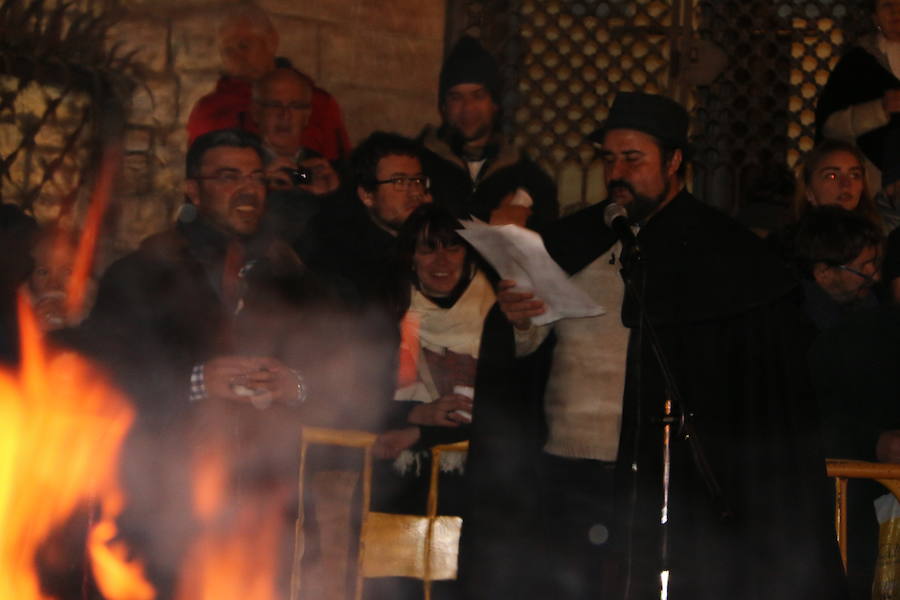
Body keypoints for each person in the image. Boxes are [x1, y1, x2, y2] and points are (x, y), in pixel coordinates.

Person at [462, 92, 849, 600]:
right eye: (609, 159)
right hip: (565, 476)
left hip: (666, 489)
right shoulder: (572, 241)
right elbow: (522, 358)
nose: (617, 172)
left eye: (633, 158)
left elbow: (746, 379)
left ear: (673, 163)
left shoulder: (721, 254)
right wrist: (520, 325)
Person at [419, 36, 557, 230]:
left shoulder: (526, 174)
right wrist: (491, 217)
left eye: (478, 96)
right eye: (456, 97)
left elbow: (548, 233)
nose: (467, 108)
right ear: (443, 106)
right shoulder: (416, 163)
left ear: (495, 104)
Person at [186, 2, 351, 161]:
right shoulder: (210, 110)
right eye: (227, 50)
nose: (236, 57)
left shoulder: (318, 104)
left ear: (271, 42)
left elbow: (333, 174)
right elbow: (199, 174)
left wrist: (297, 174)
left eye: (244, 46)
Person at [303, 131, 432, 315]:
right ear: (367, 195)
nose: (414, 193)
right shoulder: (344, 257)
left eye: (418, 181)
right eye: (400, 181)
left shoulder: (436, 238)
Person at [815, 0, 900, 228]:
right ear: (874, 17)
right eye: (887, 5)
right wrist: (880, 110)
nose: (896, 12)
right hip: (872, 191)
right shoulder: (857, 64)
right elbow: (830, 126)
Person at [787, 205, 884, 331]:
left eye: (874, 262)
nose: (875, 277)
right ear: (824, 273)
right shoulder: (799, 327)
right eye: (863, 266)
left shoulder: (867, 299)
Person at [793, 139, 882, 226]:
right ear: (809, 191)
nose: (846, 184)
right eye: (832, 176)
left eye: (854, 175)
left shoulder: (874, 237)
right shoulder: (795, 239)